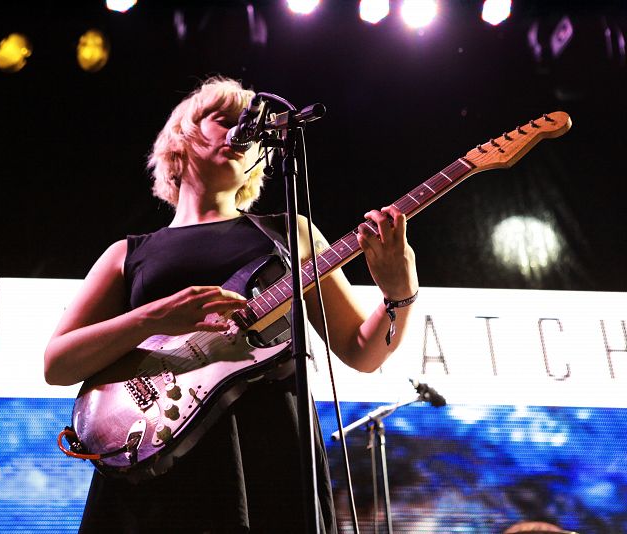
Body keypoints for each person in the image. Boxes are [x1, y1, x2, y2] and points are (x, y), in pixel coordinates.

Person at [44, 77, 419, 533]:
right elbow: (58, 364)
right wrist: (154, 317)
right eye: (226, 119)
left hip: (268, 451)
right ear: (180, 138)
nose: (245, 131)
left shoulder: (291, 232)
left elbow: (363, 350)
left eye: (255, 126)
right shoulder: (129, 253)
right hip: (157, 460)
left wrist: (400, 291)